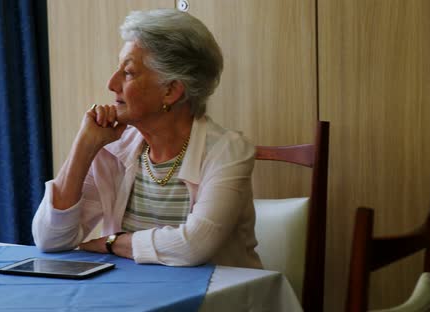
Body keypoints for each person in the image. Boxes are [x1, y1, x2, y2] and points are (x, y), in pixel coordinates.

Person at [32, 9, 262, 269]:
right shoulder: (114, 149)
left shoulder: (227, 151)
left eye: (128, 73)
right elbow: (49, 239)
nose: (111, 83)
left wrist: (110, 243)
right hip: (134, 296)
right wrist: (83, 148)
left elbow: (193, 246)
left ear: (171, 91)